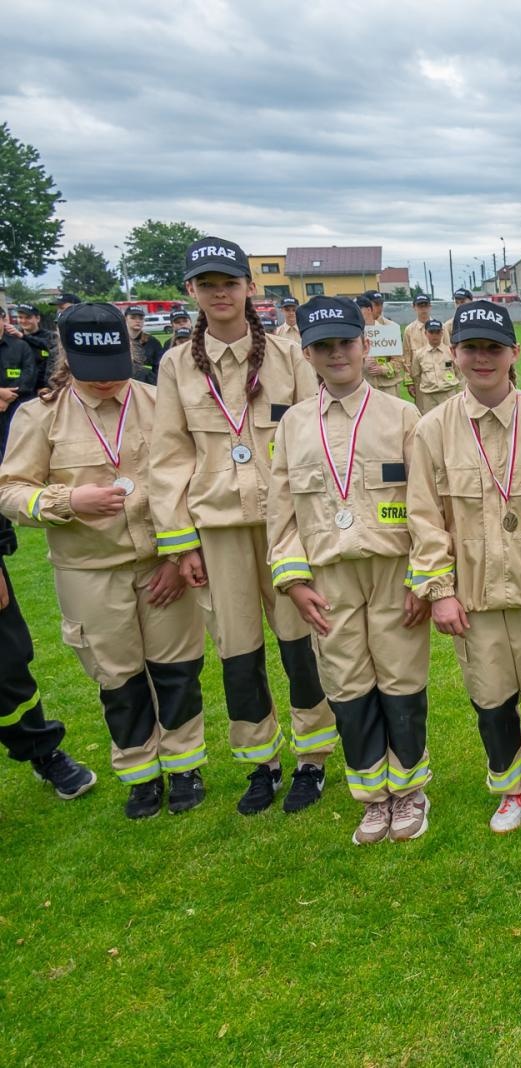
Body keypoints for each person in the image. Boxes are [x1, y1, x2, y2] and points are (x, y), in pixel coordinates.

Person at [148, 236, 335, 815]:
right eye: (207, 284)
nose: (220, 293)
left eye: (229, 282)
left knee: (301, 644)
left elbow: (317, 443)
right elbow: (169, 456)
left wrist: (312, 530)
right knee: (238, 652)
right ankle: (260, 762)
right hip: (219, 531)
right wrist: (181, 544)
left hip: (285, 527)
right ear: (192, 292)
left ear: (249, 287)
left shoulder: (287, 356)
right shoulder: (177, 364)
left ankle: (313, 759)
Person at [0, 303, 198, 816]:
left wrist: (178, 558)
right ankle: (140, 773)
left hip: (162, 565)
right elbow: (10, 490)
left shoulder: (160, 405)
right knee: (119, 677)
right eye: (95, 376)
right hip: (90, 570)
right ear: (67, 358)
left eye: (116, 371)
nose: (107, 383)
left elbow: (192, 481)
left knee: (177, 670)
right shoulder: (40, 415)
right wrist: (68, 502)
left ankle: (185, 767)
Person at [266, 296, 432, 844]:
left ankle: (408, 791)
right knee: (348, 685)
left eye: (345, 342)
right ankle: (372, 795)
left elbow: (426, 505)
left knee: (401, 681)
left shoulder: (402, 415)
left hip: (392, 572)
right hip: (328, 578)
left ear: (365, 346)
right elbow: (282, 511)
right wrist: (293, 579)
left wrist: (423, 575)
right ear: (308, 353)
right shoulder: (292, 424)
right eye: (324, 346)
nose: (337, 354)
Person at [407, 300, 521, 835]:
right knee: (490, 695)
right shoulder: (433, 429)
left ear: (513, 354)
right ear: (454, 354)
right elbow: (425, 517)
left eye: (493, 348)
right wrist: (440, 591)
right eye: (471, 347)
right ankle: (507, 786)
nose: (483, 358)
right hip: (473, 597)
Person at [0, 312, 43, 450]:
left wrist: (7, 398)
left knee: (22, 448)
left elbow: (29, 374)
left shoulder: (20, 346)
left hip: (18, 406)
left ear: (4, 319)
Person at [358, 295, 407, 398]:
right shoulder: (355, 335)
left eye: (359, 310)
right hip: (365, 389)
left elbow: (399, 362)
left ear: (368, 309)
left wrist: (383, 369)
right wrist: (362, 363)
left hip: (388, 388)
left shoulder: (388, 331)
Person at [409, 318, 462, 415]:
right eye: (431, 332)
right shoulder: (419, 354)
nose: (435, 335)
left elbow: (458, 372)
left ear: (442, 333)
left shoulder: (451, 352)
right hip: (429, 396)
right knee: (430, 424)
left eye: (437, 332)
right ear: (426, 333)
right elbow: (416, 375)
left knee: (450, 421)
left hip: (448, 393)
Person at [123, 307, 161, 384]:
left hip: (147, 385)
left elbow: (159, 367)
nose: (138, 321)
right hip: (123, 385)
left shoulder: (152, 341)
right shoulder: (118, 340)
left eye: (141, 318)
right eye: (133, 318)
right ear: (125, 319)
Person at [401, 293, 432, 376]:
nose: (423, 309)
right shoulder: (409, 330)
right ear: (414, 307)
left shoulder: (441, 327)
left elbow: (447, 352)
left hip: (437, 376)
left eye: (426, 305)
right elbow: (406, 356)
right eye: (420, 306)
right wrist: (409, 381)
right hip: (418, 376)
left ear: (430, 307)